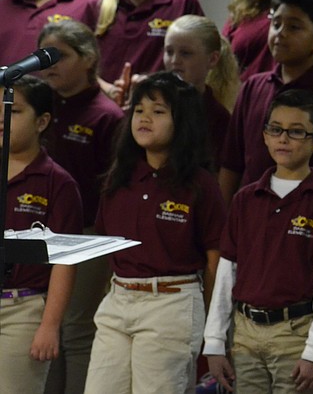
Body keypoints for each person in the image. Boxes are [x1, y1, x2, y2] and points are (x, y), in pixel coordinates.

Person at [84, 72, 225, 394]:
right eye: (139, 110)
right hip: (117, 301)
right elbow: (107, 247)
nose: (144, 118)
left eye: (158, 111)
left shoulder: (200, 184)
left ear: (183, 122)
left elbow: (215, 259)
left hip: (171, 302)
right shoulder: (119, 177)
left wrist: (213, 327)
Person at [204, 89, 313, 393]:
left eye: (296, 132)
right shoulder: (246, 198)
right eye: (276, 129)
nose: (283, 138)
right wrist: (215, 341)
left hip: (296, 334)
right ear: (265, 136)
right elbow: (225, 272)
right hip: (244, 333)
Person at [38, 21, 124, 394]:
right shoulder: (37, 106)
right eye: (45, 56)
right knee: (43, 322)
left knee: (74, 327)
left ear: (88, 59)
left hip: (84, 235)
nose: (49, 63)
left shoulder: (106, 115)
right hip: (38, 231)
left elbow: (113, 187)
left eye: (59, 55)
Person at [219, 0, 313, 204]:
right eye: (276, 24)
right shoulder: (253, 87)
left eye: (294, 27)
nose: (280, 33)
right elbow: (232, 164)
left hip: (300, 220)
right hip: (249, 215)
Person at [0, 76, 83, 394]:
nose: (2, 117)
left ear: (42, 121)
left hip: (23, 309)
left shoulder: (58, 183)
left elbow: (65, 262)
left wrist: (50, 325)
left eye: (14, 110)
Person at [163, 15, 239, 167]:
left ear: (212, 59)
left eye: (185, 53)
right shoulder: (150, 105)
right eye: (169, 52)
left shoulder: (219, 119)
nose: (174, 60)